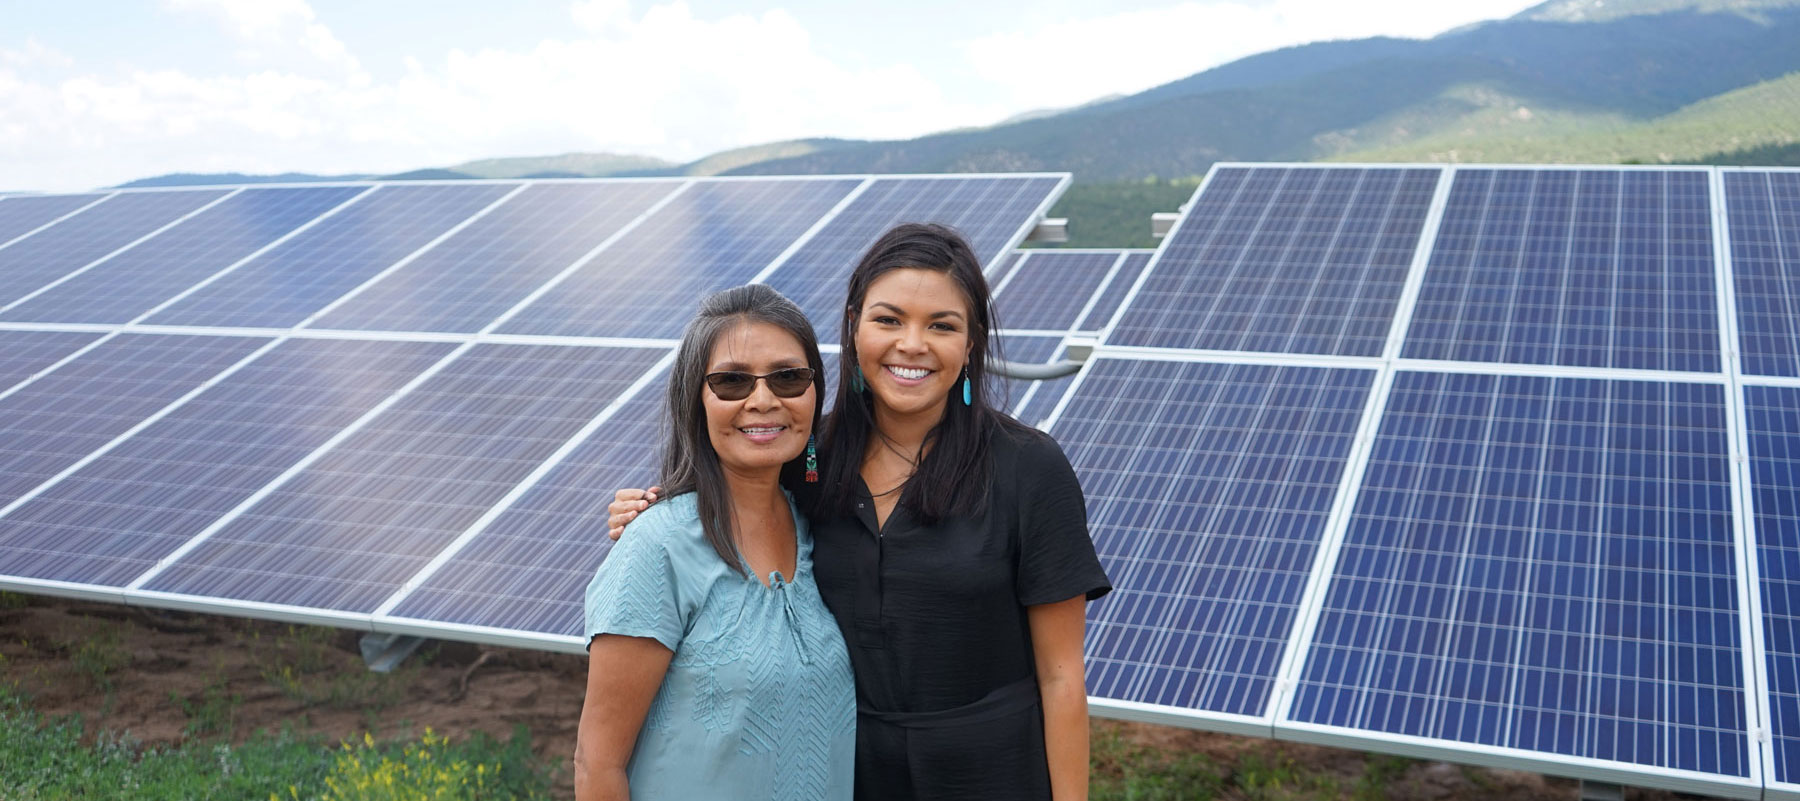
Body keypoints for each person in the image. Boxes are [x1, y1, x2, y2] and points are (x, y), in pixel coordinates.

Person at [609, 223, 1111, 801]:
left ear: (970, 344)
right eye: (889, 319)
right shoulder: (806, 460)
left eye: (942, 325)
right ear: (853, 326)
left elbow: (1062, 676)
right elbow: (727, 501)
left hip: (993, 771)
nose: (912, 344)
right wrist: (647, 508)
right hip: (846, 770)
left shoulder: (1029, 467)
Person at [574, 284, 854, 801]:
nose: (764, 400)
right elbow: (597, 765)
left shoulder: (823, 527)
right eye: (731, 382)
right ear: (695, 399)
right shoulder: (657, 548)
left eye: (789, 378)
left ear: (815, 393)